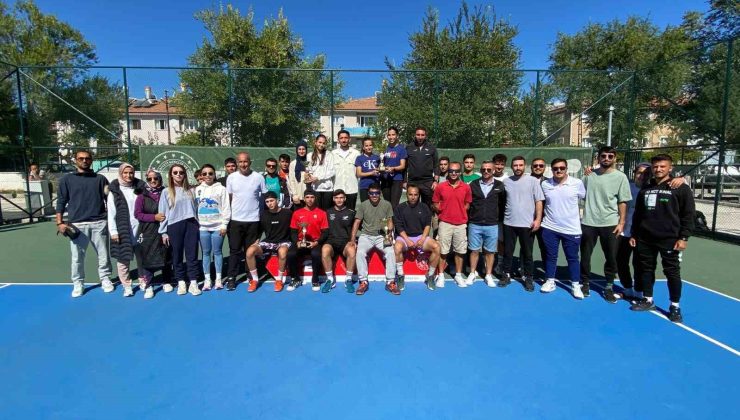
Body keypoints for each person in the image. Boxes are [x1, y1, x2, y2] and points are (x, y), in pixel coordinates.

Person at [630, 154, 695, 323]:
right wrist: (635, 234)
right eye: (656, 167)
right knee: (646, 270)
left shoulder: (679, 187)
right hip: (645, 238)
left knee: (672, 272)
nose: (658, 169)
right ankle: (648, 300)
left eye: (662, 166)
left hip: (669, 239)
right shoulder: (646, 188)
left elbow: (688, 215)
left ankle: (674, 306)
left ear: (670, 168)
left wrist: (684, 237)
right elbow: (638, 214)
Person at [55, 150, 112, 298]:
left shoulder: (100, 179)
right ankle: (78, 283)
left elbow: (110, 200)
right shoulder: (67, 180)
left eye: (87, 158)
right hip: (76, 225)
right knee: (77, 258)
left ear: (91, 160)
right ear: (76, 160)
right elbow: (61, 201)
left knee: (104, 255)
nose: (84, 161)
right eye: (81, 158)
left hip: (99, 223)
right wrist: (59, 222)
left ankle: (105, 279)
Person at [580, 146, 632, 302]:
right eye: (604, 156)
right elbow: (578, 192)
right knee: (585, 256)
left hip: (610, 224)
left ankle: (609, 286)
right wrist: (586, 173)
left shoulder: (621, 177)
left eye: (610, 156)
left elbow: (623, 202)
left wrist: (621, 222)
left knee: (611, 258)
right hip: (589, 223)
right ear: (598, 158)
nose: (607, 159)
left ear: (614, 158)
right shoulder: (589, 176)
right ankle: (585, 283)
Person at [539, 158, 587, 298]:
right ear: (551, 169)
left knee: (572, 258)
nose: (558, 170)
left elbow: (587, 199)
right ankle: (550, 281)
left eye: (561, 168)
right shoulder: (545, 184)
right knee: (551, 256)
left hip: (571, 229)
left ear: (566, 169)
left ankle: (575, 285)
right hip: (549, 227)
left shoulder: (577, 183)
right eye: (555, 168)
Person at [224, 152, 267, 291]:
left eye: (245, 161)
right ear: (237, 163)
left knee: (250, 251)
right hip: (236, 220)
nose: (243, 164)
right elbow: (229, 199)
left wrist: (261, 216)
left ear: (250, 162)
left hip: (253, 220)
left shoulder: (259, 177)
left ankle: (251, 276)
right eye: (240, 162)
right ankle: (231, 277)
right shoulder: (231, 178)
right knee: (235, 250)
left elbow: (263, 197)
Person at [500, 156, 544, 292]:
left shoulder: (533, 181)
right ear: (511, 167)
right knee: (508, 251)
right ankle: (506, 274)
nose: (518, 168)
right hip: (509, 223)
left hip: (527, 224)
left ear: (525, 166)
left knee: (527, 253)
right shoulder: (506, 182)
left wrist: (538, 219)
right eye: (515, 165)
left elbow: (539, 201)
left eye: (520, 165)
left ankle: (528, 277)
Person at [158, 164, 201, 296]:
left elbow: (197, 209)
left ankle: (193, 282)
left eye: (181, 172)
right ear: (171, 175)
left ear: (185, 175)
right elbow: (163, 212)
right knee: (176, 255)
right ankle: (181, 282)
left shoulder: (191, 190)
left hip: (191, 225)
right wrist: (163, 232)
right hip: (174, 226)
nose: (178, 175)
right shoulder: (166, 192)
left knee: (192, 255)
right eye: (175, 172)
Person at [351, 183, 399, 295]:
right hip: (366, 235)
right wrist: (353, 240)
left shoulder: (387, 204)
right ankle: (363, 282)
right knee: (360, 253)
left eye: (376, 193)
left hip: (382, 236)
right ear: (368, 194)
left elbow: (390, 221)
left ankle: (390, 282)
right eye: (372, 193)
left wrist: (390, 235)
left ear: (380, 193)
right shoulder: (363, 205)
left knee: (391, 252)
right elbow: (357, 222)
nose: (374, 195)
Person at [107, 163, 146, 297]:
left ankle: (143, 281)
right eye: (125, 173)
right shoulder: (114, 191)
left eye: (131, 173)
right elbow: (111, 213)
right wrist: (113, 231)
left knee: (142, 258)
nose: (128, 175)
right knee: (123, 260)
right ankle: (127, 285)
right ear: (120, 173)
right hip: (123, 229)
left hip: (140, 228)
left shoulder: (141, 188)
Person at [432, 161, 473, 288]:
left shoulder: (466, 187)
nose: (453, 173)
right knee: (442, 251)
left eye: (456, 171)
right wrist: (443, 211)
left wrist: (459, 212)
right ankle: (441, 275)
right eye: (451, 171)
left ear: (460, 172)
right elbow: (435, 202)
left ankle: (458, 275)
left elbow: (467, 204)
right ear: (447, 172)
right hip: (444, 223)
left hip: (461, 224)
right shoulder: (441, 186)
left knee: (460, 251)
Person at [393, 183, 440, 290]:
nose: (413, 197)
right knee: (397, 247)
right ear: (407, 195)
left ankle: (430, 275)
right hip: (404, 237)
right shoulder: (400, 208)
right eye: (410, 194)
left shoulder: (424, 207)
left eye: (415, 195)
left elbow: (428, 225)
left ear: (419, 195)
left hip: (420, 236)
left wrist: (422, 238)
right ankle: (400, 275)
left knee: (436, 247)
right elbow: (399, 227)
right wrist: (407, 240)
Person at [466, 161, 506, 288]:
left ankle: (488, 275)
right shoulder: (473, 184)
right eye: (484, 169)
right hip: (475, 223)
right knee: (474, 250)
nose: (486, 172)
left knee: (489, 251)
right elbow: (468, 203)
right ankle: (472, 273)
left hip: (492, 224)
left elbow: (503, 204)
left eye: (489, 169)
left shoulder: (500, 186)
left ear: (494, 170)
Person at [615, 163, 650, 301]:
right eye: (639, 173)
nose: (642, 176)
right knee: (621, 261)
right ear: (634, 173)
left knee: (639, 264)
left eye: (646, 173)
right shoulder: (627, 187)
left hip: (642, 235)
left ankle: (639, 291)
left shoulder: (652, 189)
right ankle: (628, 289)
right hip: (624, 232)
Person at [245, 191, 293, 293]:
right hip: (269, 242)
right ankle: (254, 280)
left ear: (277, 200)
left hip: (284, 241)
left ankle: (279, 280)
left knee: (283, 253)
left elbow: (293, 228)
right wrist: (256, 240)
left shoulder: (287, 213)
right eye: (267, 202)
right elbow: (260, 229)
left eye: (272, 201)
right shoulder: (263, 214)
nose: (270, 203)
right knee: (249, 251)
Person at [134, 169, 171, 298]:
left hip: (165, 229)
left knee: (166, 255)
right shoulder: (141, 196)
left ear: (160, 179)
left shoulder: (166, 192)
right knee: (148, 257)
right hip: (148, 230)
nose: (153, 181)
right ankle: (149, 285)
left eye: (155, 178)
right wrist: (153, 217)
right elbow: (137, 214)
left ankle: (167, 281)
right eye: (150, 179)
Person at [195, 163, 230, 291]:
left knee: (217, 252)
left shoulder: (221, 189)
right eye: (205, 174)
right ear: (201, 176)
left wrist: (224, 224)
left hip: (218, 227)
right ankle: (207, 280)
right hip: (203, 227)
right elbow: (195, 207)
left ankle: (218, 280)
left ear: (215, 174)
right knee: (205, 253)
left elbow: (226, 207)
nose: (208, 176)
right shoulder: (197, 190)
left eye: (210, 173)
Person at [287, 189, 329, 292]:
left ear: (315, 198)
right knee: (290, 254)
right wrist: (297, 242)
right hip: (301, 242)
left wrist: (316, 242)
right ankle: (295, 278)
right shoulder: (297, 213)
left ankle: (315, 279)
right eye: (307, 197)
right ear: (304, 199)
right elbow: (293, 231)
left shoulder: (322, 213)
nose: (310, 200)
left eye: (312, 197)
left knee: (316, 254)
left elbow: (325, 232)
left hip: (315, 242)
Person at [321, 189, 358, 293]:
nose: (339, 200)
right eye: (336, 198)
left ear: (345, 198)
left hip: (345, 242)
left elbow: (357, 227)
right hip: (331, 241)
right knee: (325, 250)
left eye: (341, 197)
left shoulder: (351, 212)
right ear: (333, 199)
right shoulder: (327, 212)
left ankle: (348, 279)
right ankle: (330, 279)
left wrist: (353, 240)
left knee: (352, 250)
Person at [406, 126, 439, 206]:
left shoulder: (432, 148)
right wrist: (404, 181)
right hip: (412, 182)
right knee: (412, 205)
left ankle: (428, 218)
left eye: (422, 135)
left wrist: (435, 181)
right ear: (415, 135)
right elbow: (405, 166)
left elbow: (436, 165)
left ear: (425, 135)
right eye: (418, 134)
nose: (420, 137)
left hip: (427, 182)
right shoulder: (408, 147)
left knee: (427, 206)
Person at [305, 134, 336, 210]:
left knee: (327, 212)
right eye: (320, 142)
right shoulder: (309, 155)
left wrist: (318, 178)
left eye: (323, 143)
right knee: (317, 211)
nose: (321, 145)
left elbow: (332, 171)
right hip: (315, 189)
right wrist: (310, 177)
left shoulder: (329, 154)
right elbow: (309, 170)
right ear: (315, 142)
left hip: (327, 189)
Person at [332, 129, 361, 210]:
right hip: (337, 190)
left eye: (346, 138)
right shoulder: (333, 154)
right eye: (341, 138)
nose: (344, 140)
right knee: (337, 214)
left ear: (349, 139)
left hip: (351, 189)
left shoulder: (356, 154)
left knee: (350, 213)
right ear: (338, 140)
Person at [381, 127, 407, 207]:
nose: (391, 137)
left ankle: (394, 220)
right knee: (387, 204)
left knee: (394, 205)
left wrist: (393, 168)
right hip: (385, 179)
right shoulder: (385, 148)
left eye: (393, 135)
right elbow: (382, 163)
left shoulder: (401, 149)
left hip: (397, 179)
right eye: (389, 135)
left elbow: (403, 166)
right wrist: (380, 168)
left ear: (397, 136)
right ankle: (388, 220)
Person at [287, 140, 309, 207]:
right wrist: (294, 194)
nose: (301, 151)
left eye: (303, 149)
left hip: (309, 195)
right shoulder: (293, 164)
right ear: (296, 150)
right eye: (299, 149)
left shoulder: (309, 162)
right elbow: (292, 180)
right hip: (298, 196)